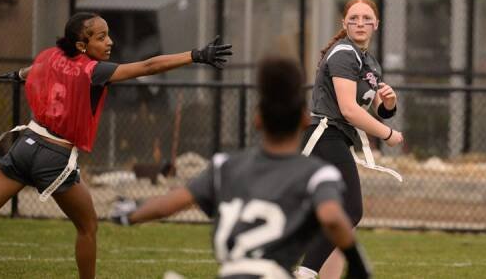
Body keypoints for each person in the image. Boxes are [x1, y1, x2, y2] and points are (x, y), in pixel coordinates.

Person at [0, 12, 232, 279]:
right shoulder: (94, 71)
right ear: (82, 44)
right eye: (101, 37)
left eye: (108, 35)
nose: (110, 42)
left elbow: (35, 70)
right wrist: (196, 55)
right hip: (53, 155)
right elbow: (148, 67)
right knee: (88, 225)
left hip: (26, 144)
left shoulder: (54, 58)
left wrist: (18, 74)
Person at [110, 56, 372, 279]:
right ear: (305, 120)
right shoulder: (317, 173)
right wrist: (358, 264)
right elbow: (332, 217)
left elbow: (171, 202)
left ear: (257, 121)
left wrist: (130, 214)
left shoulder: (224, 167)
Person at [295, 0, 403, 279]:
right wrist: (388, 134)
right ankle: (304, 273)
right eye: (354, 18)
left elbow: (376, 108)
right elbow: (348, 110)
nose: (360, 23)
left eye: (367, 18)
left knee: (338, 216)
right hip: (324, 134)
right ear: (344, 23)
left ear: (376, 24)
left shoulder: (368, 61)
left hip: (336, 138)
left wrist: (389, 104)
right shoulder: (344, 52)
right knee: (350, 210)